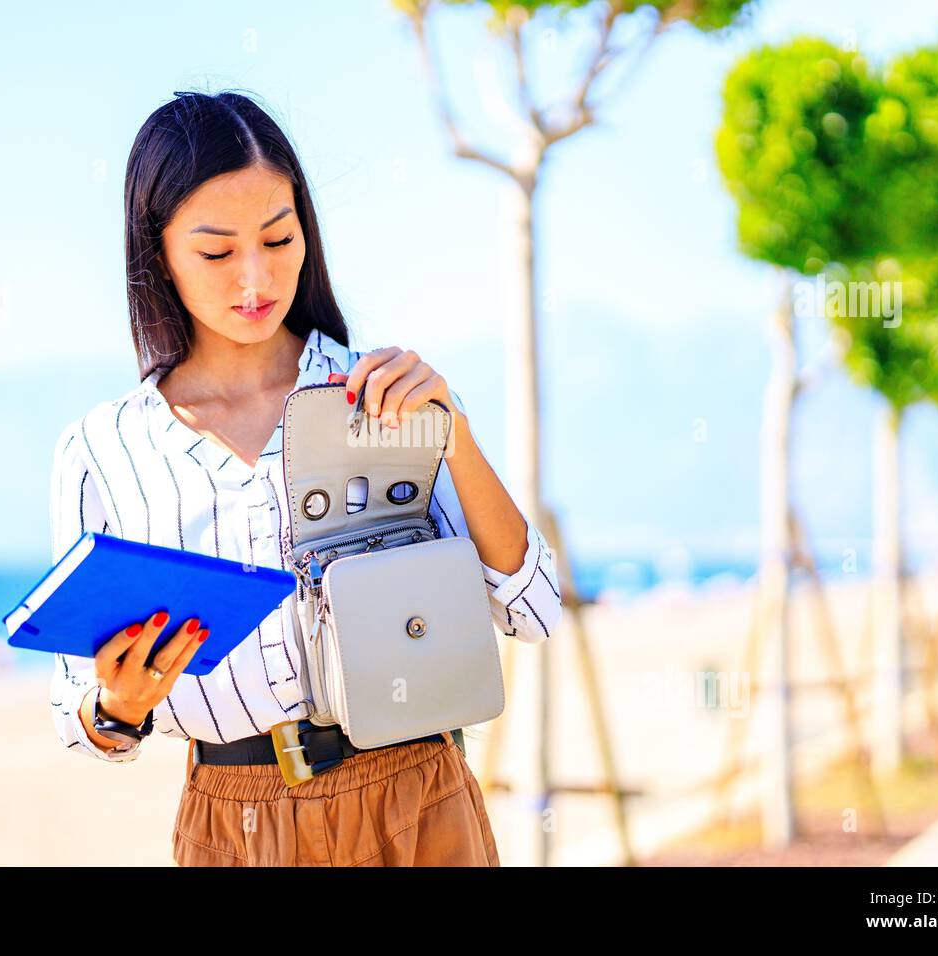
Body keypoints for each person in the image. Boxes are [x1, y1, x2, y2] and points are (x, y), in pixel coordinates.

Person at [47, 90, 563, 867]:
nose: (255, 277)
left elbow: (536, 609)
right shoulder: (104, 449)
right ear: (156, 253)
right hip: (234, 828)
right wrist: (119, 708)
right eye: (217, 252)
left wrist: (449, 432)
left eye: (279, 239)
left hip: (417, 800)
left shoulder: (388, 396)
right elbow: (79, 722)